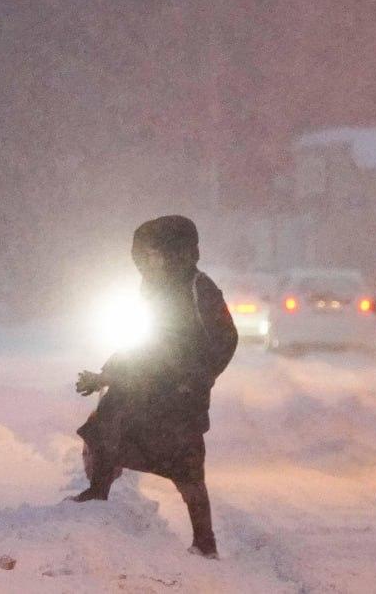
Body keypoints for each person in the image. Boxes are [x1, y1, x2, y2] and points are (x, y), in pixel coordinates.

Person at [71, 215, 238, 559]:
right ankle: (97, 493)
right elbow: (141, 341)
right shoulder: (152, 291)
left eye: (152, 256)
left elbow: (226, 339)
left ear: (177, 254)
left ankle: (204, 542)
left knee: (187, 464)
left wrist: (199, 378)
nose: (146, 264)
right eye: (141, 257)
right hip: (145, 385)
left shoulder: (200, 289)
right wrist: (107, 373)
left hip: (181, 391)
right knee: (106, 426)